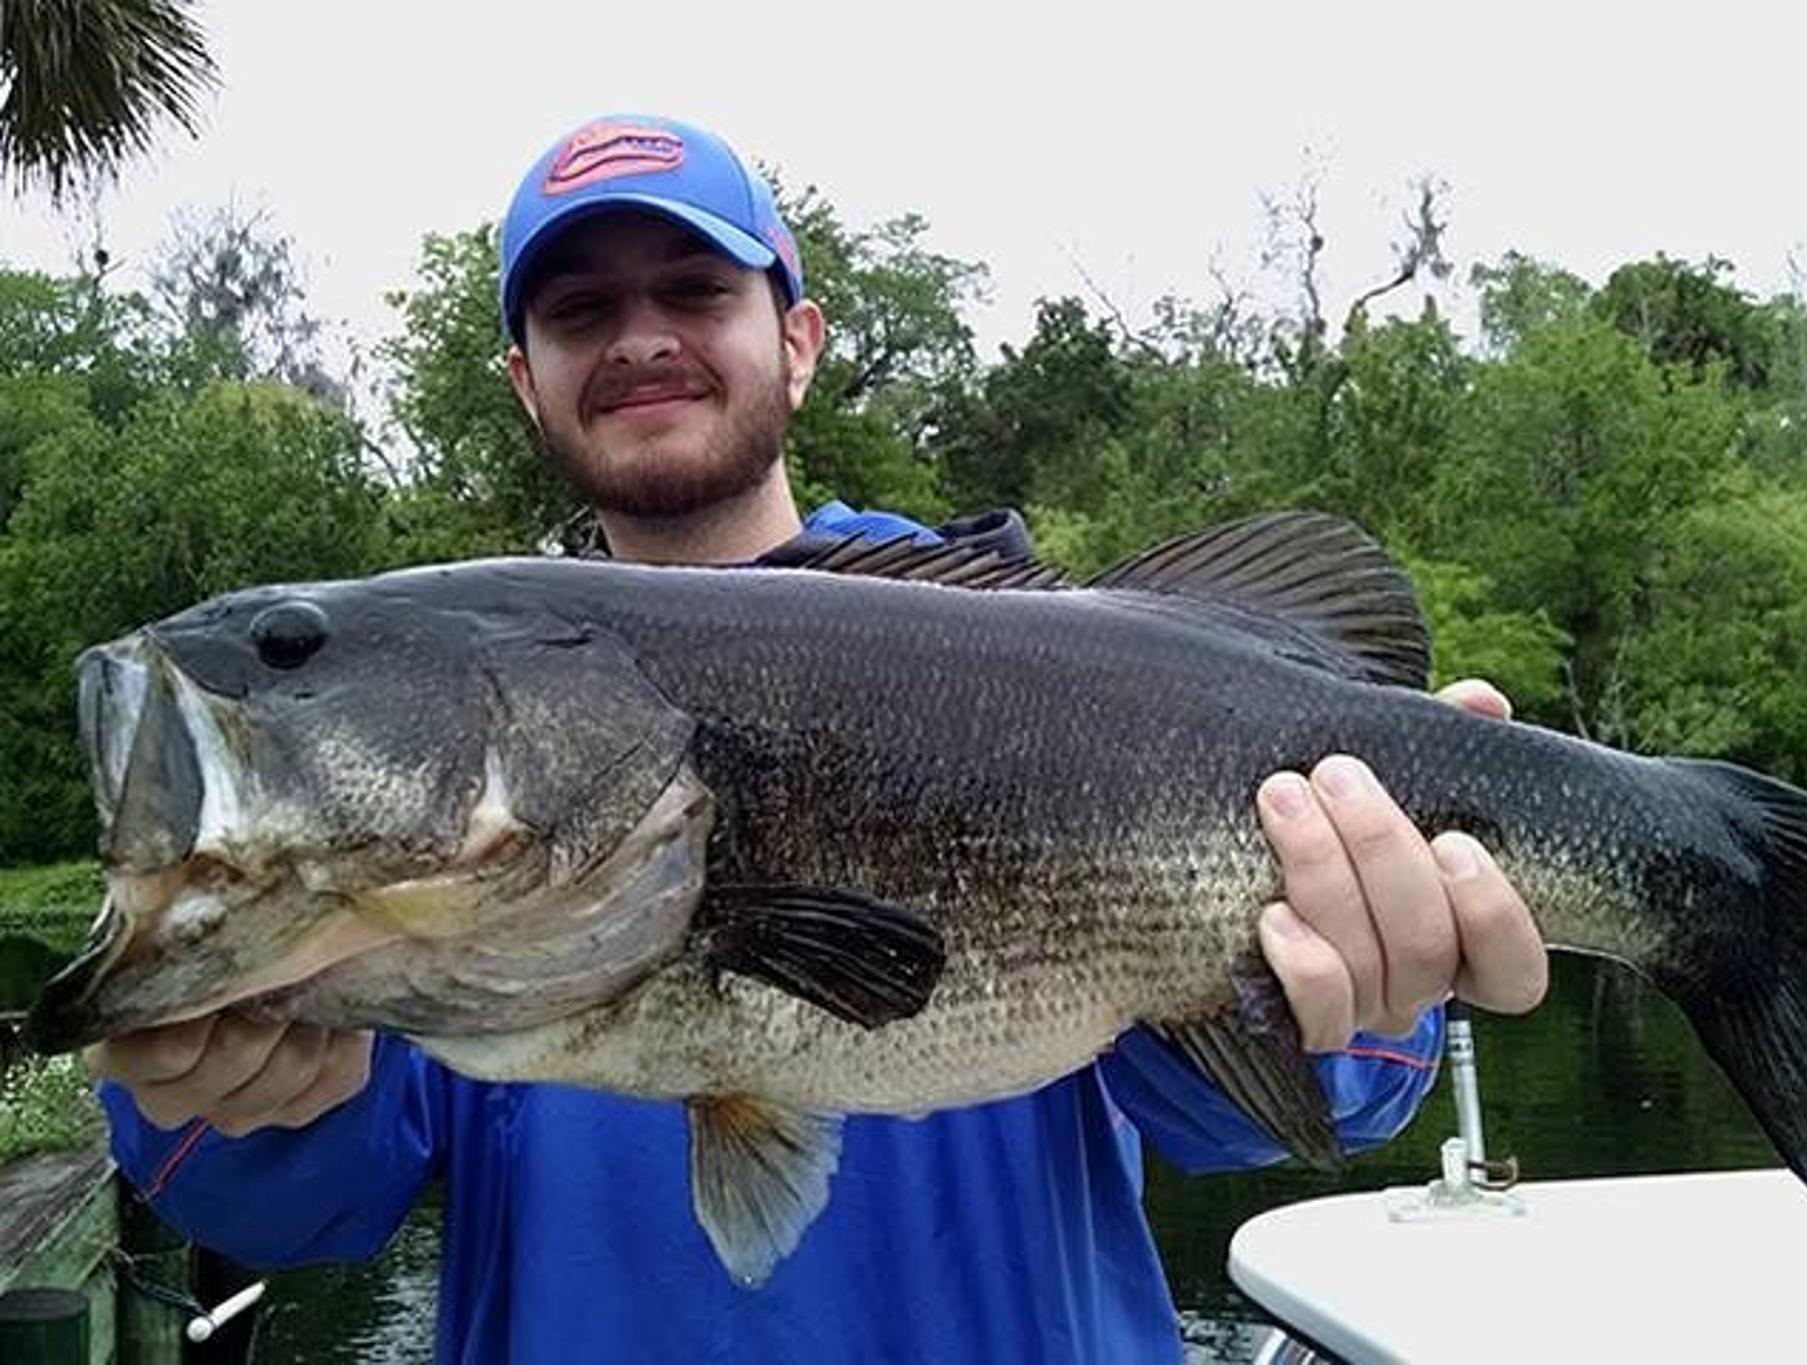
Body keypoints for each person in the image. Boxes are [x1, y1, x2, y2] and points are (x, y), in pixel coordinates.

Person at [87, 114, 1548, 1362]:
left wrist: (1361, 996)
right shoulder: (430, 852)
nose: (641, 335)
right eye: (581, 311)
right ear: (526, 378)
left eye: (693, 288)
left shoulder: (1034, 651)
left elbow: (1264, 1107)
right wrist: (239, 1094)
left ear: (795, 340)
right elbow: (302, 1203)